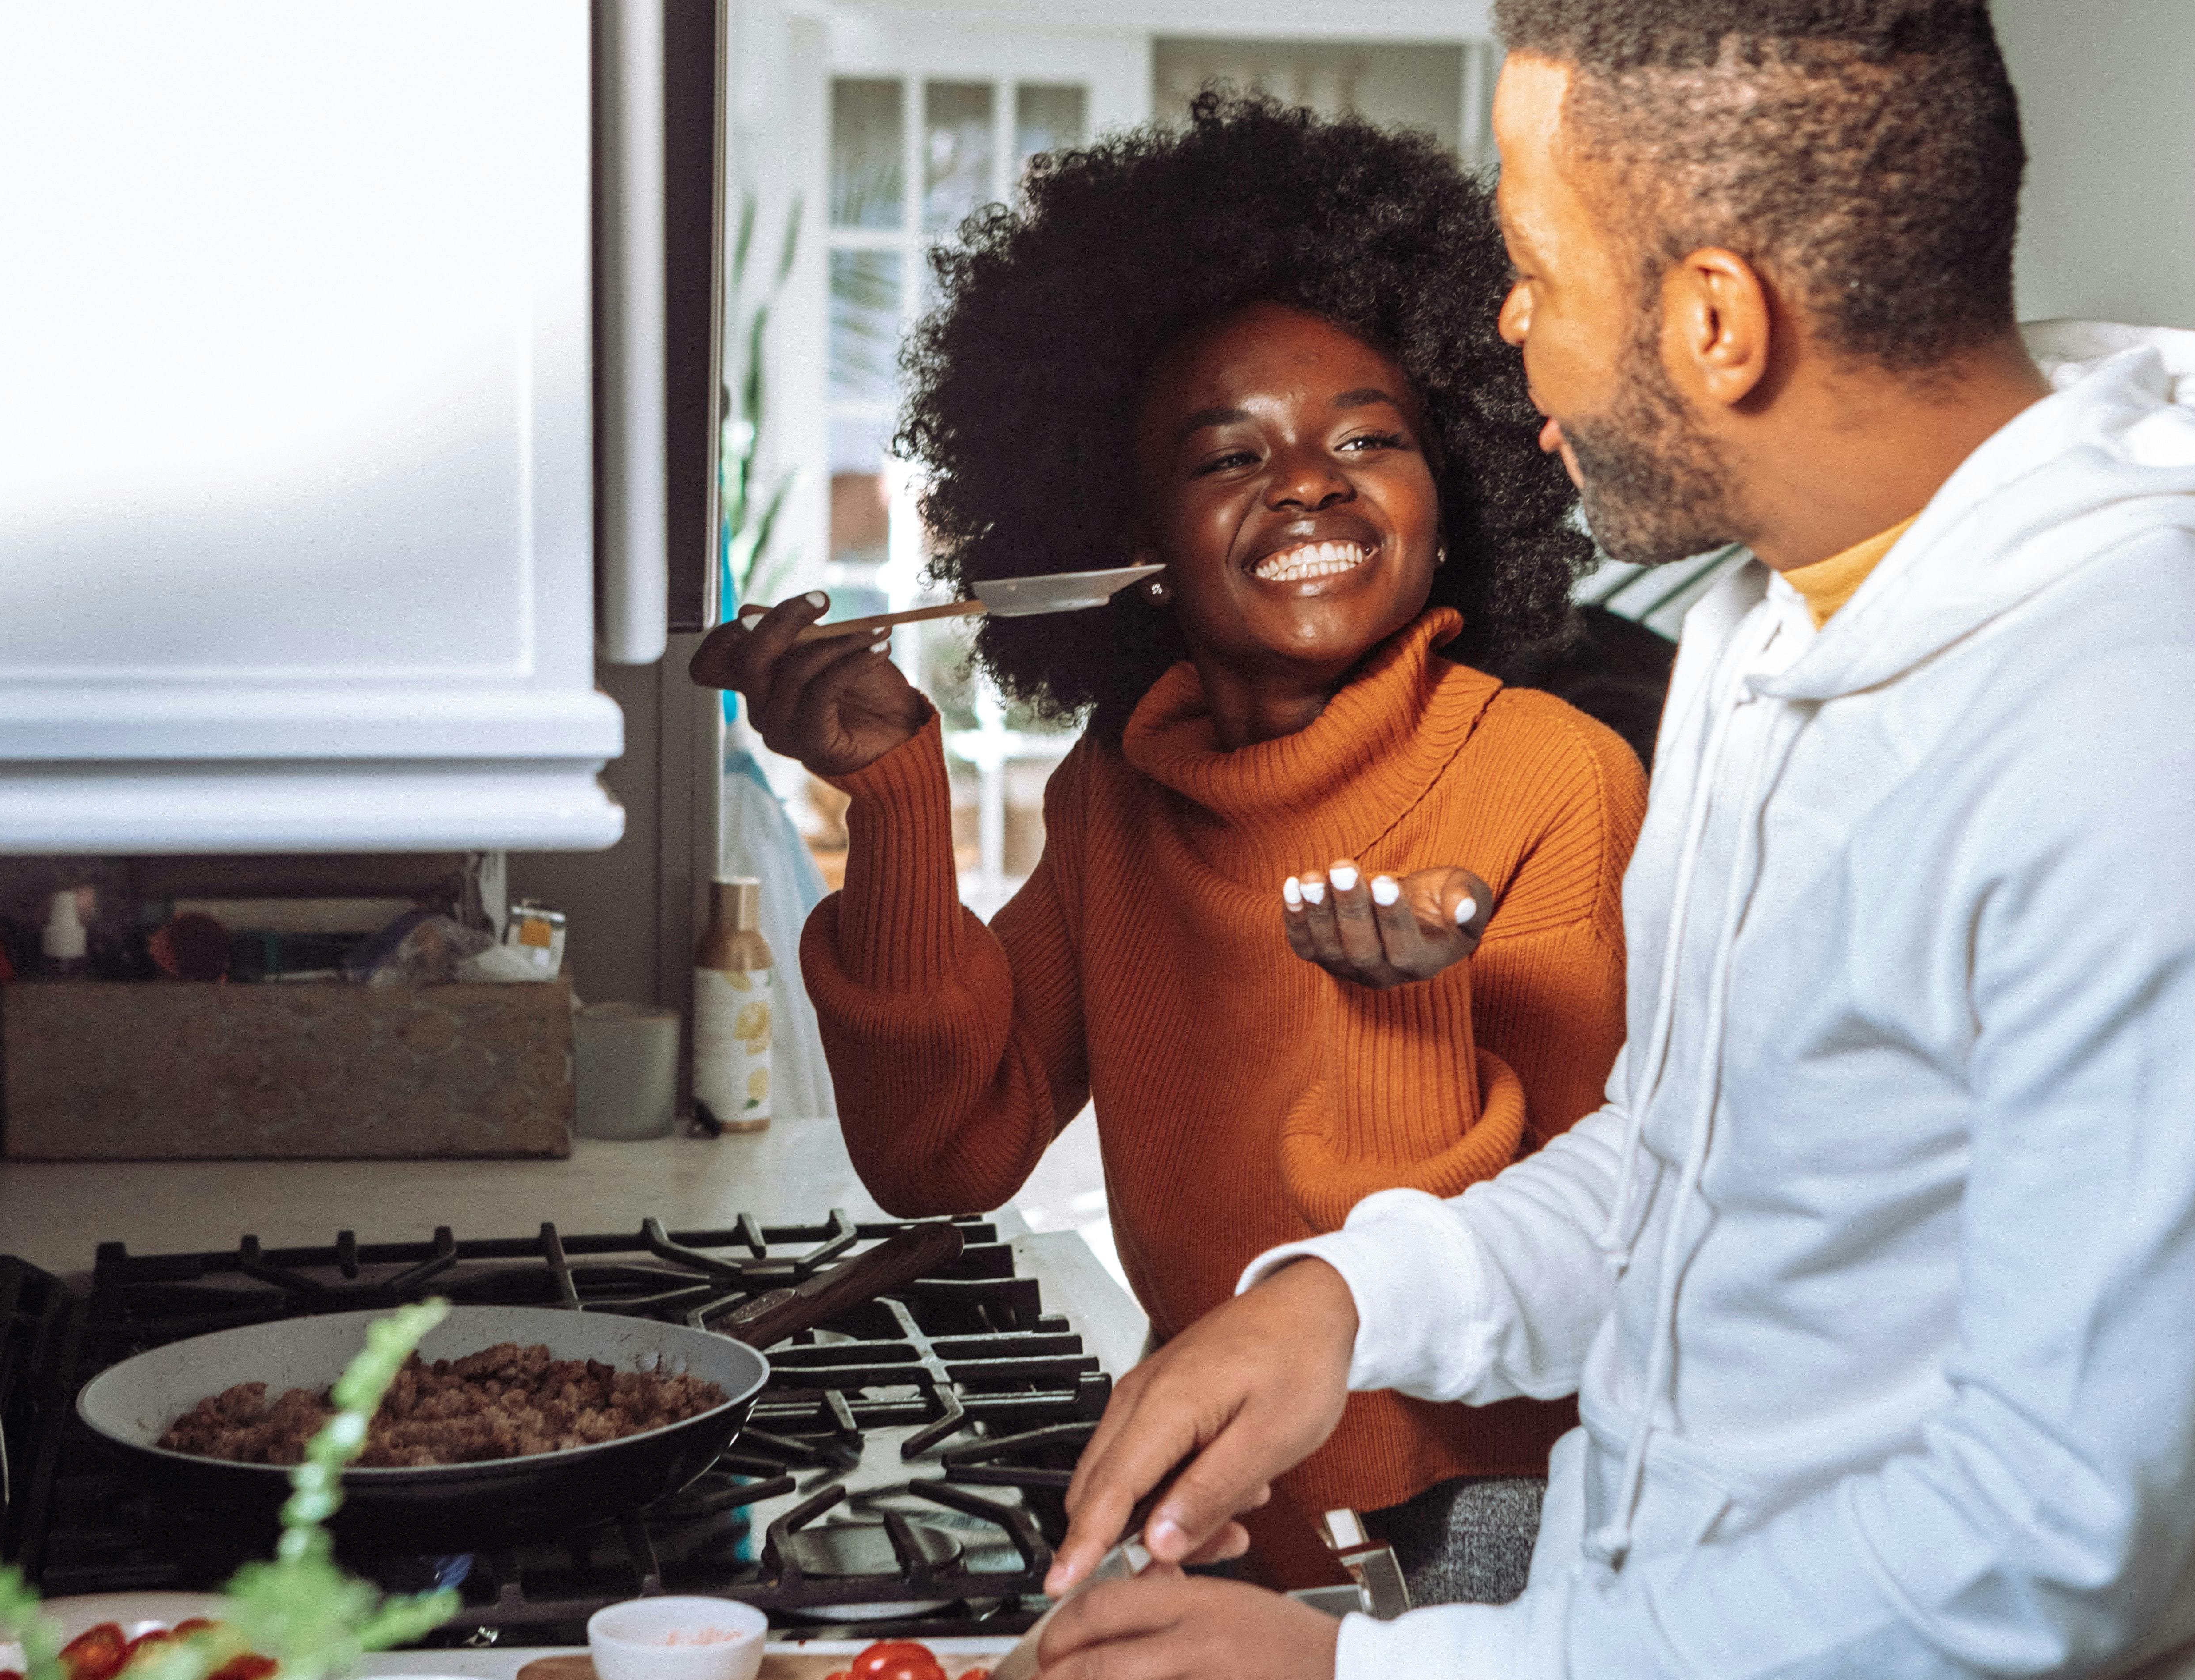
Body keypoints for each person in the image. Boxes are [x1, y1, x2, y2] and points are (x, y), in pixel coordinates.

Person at [1019, 0, 2195, 1680]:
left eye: (1536, 266)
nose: (1503, 336)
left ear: (1716, 320)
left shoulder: (2169, 740)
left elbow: (2054, 1537)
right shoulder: (1783, 630)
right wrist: (1349, 1303)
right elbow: (1711, 1168)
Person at [689, 94, 1646, 1595]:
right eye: (1226, 457)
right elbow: (945, 1154)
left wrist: (1399, 1010)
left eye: (1368, 438)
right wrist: (891, 801)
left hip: (1481, 1555)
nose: (1309, 479)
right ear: (1129, 543)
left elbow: (1593, 1266)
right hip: (1212, 1521)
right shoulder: (1119, 797)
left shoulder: (1556, 780)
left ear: (1453, 496)